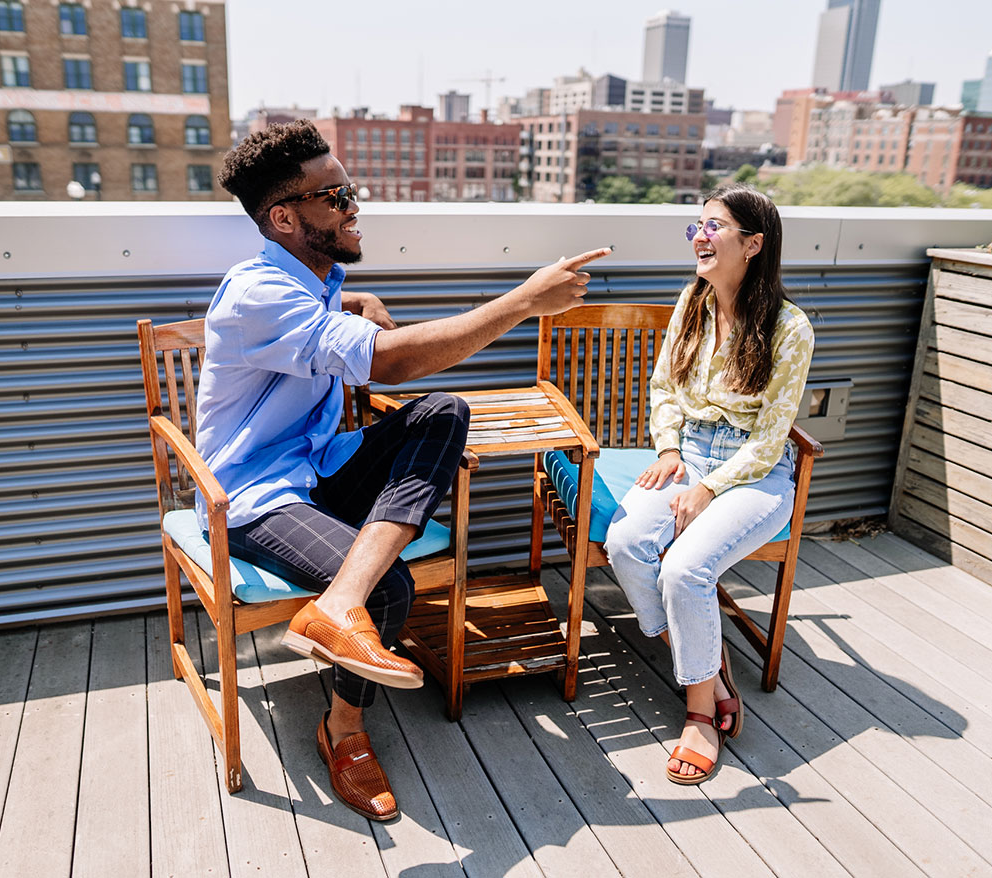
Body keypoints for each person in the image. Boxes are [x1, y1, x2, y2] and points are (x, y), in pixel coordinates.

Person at [199, 120, 609, 820]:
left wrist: (352, 300)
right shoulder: (258, 294)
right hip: (254, 494)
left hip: (319, 465)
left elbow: (342, 327)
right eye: (337, 196)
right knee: (389, 586)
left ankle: (336, 607)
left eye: (350, 189)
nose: (355, 205)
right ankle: (344, 729)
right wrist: (521, 303)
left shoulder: (313, 278)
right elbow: (388, 361)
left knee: (443, 411)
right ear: (285, 218)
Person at [603, 183, 813, 785]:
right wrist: (670, 448)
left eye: (713, 227)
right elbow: (664, 387)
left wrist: (709, 487)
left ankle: (698, 710)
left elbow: (772, 440)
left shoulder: (789, 327)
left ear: (752, 244)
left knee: (684, 571)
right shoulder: (692, 301)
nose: (699, 236)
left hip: (755, 476)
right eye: (696, 226)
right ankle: (702, 661)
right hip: (687, 455)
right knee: (626, 544)